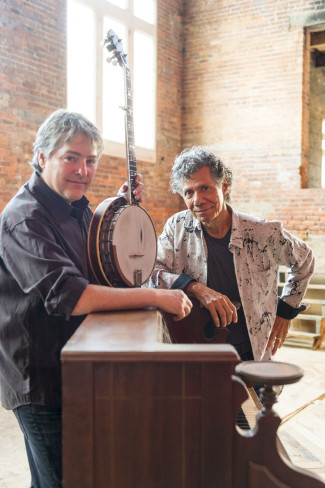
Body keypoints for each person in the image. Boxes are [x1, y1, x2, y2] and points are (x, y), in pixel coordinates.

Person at [0, 109, 192, 488]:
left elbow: (99, 263)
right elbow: (73, 297)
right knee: (64, 479)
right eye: (70, 157)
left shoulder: (77, 209)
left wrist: (117, 207)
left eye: (90, 160)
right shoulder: (25, 219)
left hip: (79, 366)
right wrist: (154, 296)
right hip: (39, 377)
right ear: (42, 157)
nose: (82, 170)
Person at [150, 146, 314, 361]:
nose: (197, 200)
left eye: (205, 188)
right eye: (188, 192)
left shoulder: (261, 232)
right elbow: (153, 273)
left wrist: (285, 311)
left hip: (251, 353)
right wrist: (196, 288)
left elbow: (305, 260)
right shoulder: (176, 226)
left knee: (256, 396)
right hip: (195, 349)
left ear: (223, 186)